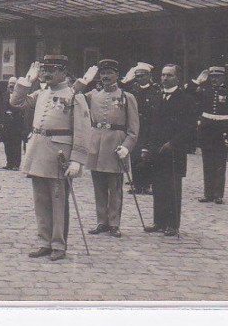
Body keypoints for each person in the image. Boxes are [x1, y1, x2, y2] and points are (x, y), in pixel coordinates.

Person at [10, 55, 90, 261]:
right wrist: (27, 81)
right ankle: (44, 241)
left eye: (52, 70)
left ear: (64, 72)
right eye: (44, 70)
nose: (46, 73)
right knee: (40, 200)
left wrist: (77, 159)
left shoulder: (74, 95)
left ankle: (58, 244)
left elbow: (82, 130)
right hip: (38, 150)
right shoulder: (41, 92)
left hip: (59, 153)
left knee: (57, 201)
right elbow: (16, 102)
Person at [75, 59, 139, 238]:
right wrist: (83, 82)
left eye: (109, 73)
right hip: (96, 143)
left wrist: (126, 147)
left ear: (117, 75)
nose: (105, 77)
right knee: (99, 186)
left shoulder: (127, 97)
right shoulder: (92, 95)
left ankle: (114, 223)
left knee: (115, 187)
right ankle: (101, 221)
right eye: (103, 74)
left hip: (115, 145)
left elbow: (133, 129)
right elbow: (73, 96)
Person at [140, 64, 194, 236]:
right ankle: (158, 221)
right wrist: (147, 146)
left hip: (174, 150)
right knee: (158, 187)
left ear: (177, 78)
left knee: (172, 188)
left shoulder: (186, 99)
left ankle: (172, 224)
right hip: (156, 149)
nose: (164, 78)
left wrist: (173, 143)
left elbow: (189, 127)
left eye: (169, 75)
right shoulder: (156, 97)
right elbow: (149, 124)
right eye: (163, 75)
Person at [192, 65, 228, 204]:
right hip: (207, 132)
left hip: (222, 133)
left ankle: (218, 195)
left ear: (223, 77)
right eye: (212, 77)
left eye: (217, 77)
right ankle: (208, 194)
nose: (214, 79)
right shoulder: (204, 91)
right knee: (207, 164)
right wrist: (197, 82)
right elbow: (191, 99)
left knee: (219, 164)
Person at [121, 62, 158, 194]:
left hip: (149, 125)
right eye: (137, 76)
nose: (140, 78)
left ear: (149, 76)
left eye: (142, 76)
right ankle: (137, 184)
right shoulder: (133, 89)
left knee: (148, 155)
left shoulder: (155, 90)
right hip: (135, 125)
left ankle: (147, 184)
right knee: (135, 154)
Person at [1, 76, 24, 170]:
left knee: (16, 145)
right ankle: (9, 163)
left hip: (16, 124)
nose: (11, 85)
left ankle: (16, 164)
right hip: (7, 124)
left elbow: (21, 108)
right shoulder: (5, 94)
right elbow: (2, 106)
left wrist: (12, 112)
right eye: (10, 83)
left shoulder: (20, 96)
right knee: (7, 144)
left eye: (13, 84)